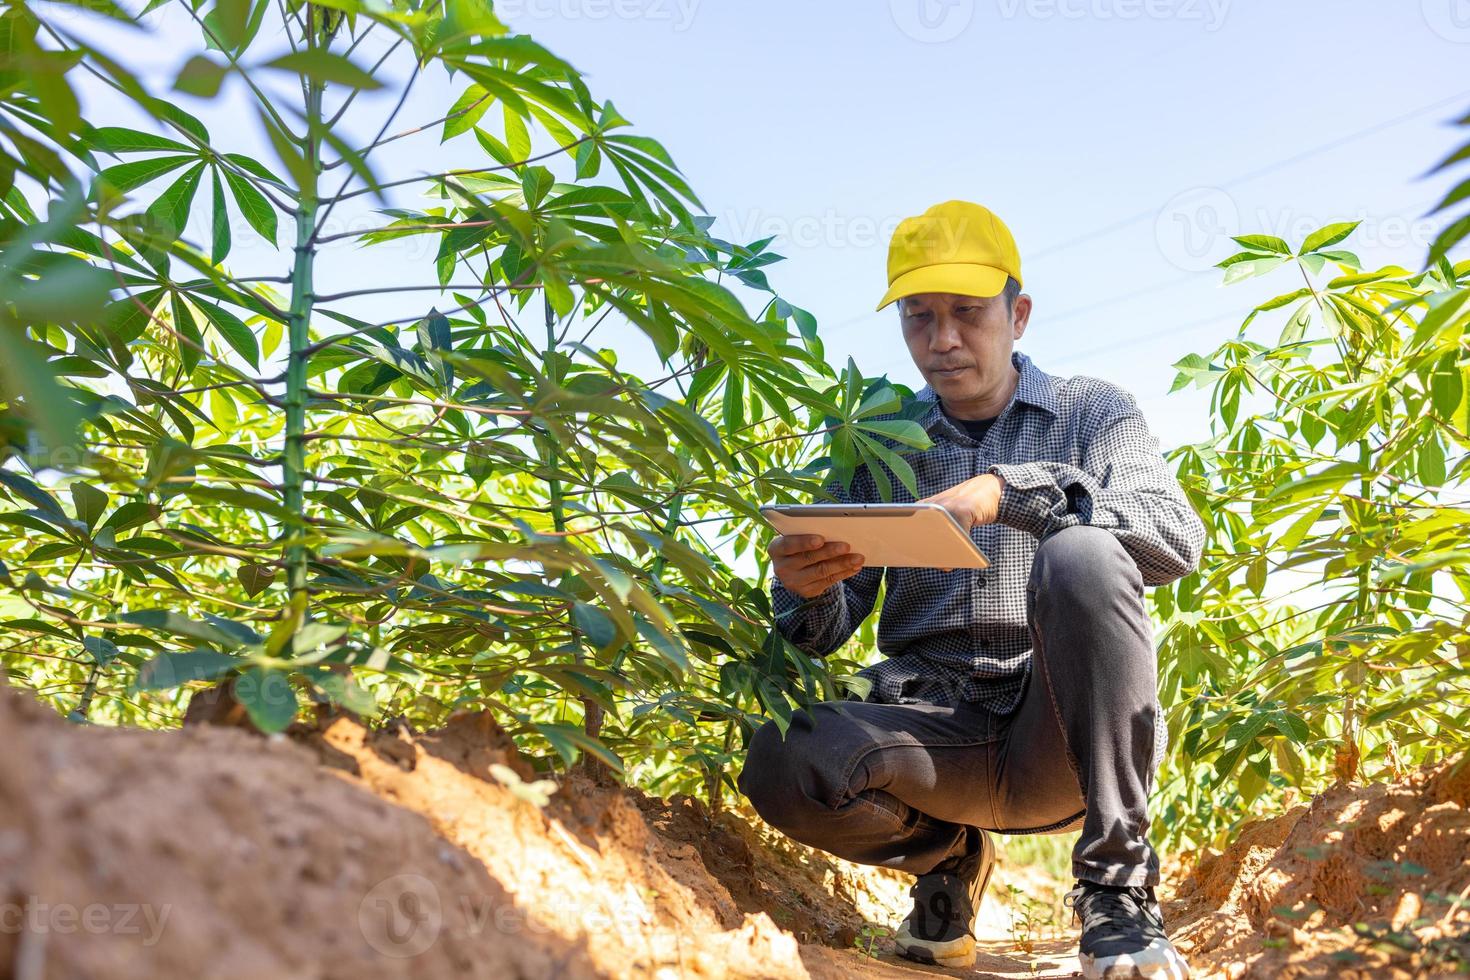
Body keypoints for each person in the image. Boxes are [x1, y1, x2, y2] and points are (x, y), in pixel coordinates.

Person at [737, 200, 1204, 978]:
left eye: (966, 313)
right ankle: (948, 859)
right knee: (785, 758)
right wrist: (805, 585)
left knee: (1083, 555)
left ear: (1018, 315)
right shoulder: (880, 433)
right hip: (930, 735)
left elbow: (1173, 538)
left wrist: (1013, 493)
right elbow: (819, 635)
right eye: (918, 317)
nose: (942, 340)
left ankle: (1118, 891)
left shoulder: (1095, 411)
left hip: (1057, 735)